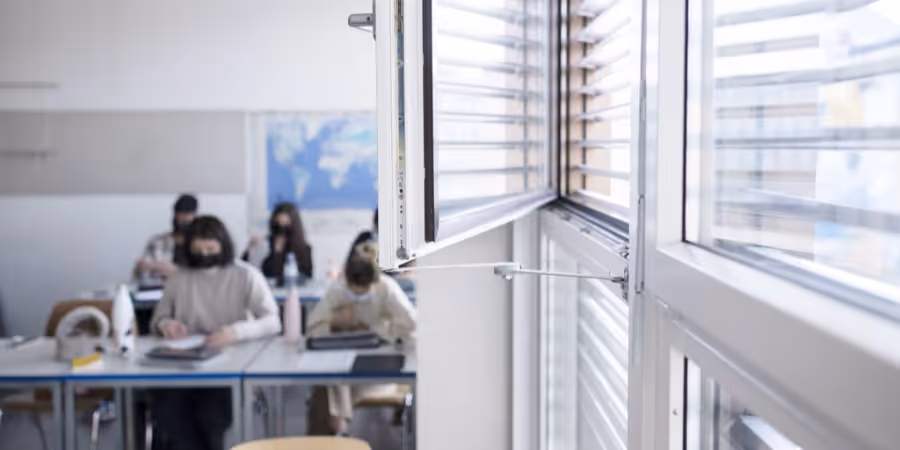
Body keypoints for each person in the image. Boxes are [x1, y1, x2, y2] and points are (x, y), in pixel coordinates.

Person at [150, 216, 281, 450]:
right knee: (167, 412)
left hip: (230, 365)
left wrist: (236, 332)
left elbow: (272, 321)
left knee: (210, 416)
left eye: (210, 250)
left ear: (223, 245)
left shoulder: (245, 274)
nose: (204, 255)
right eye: (198, 250)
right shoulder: (179, 277)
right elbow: (159, 318)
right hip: (184, 363)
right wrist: (166, 325)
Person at [306, 241, 416, 435]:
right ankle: (337, 429)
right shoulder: (338, 290)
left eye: (363, 292)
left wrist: (376, 329)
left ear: (374, 283)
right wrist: (336, 322)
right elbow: (313, 329)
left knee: (327, 390)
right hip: (343, 367)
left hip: (377, 370)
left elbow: (411, 323)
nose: (357, 295)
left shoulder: (386, 289)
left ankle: (337, 430)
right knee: (329, 382)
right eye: (353, 290)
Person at [133, 194, 198, 285]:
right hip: (160, 290)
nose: (183, 219)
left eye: (188, 216)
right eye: (180, 215)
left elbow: (208, 277)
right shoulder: (157, 242)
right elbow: (139, 279)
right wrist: (140, 269)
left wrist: (177, 271)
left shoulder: (203, 246)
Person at [244, 202, 313, 284]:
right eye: (278, 223)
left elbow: (308, 276)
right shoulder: (266, 243)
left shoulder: (304, 247)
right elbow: (247, 268)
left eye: (286, 224)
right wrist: (251, 250)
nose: (281, 227)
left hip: (296, 288)